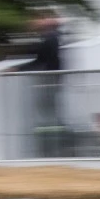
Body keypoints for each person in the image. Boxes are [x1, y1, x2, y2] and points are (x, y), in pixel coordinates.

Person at [22, 10, 65, 157]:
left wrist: (19, 69)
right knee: (48, 111)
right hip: (50, 79)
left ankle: (53, 148)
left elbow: (41, 59)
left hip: (50, 79)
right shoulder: (50, 37)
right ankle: (52, 145)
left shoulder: (51, 37)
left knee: (48, 111)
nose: (33, 24)